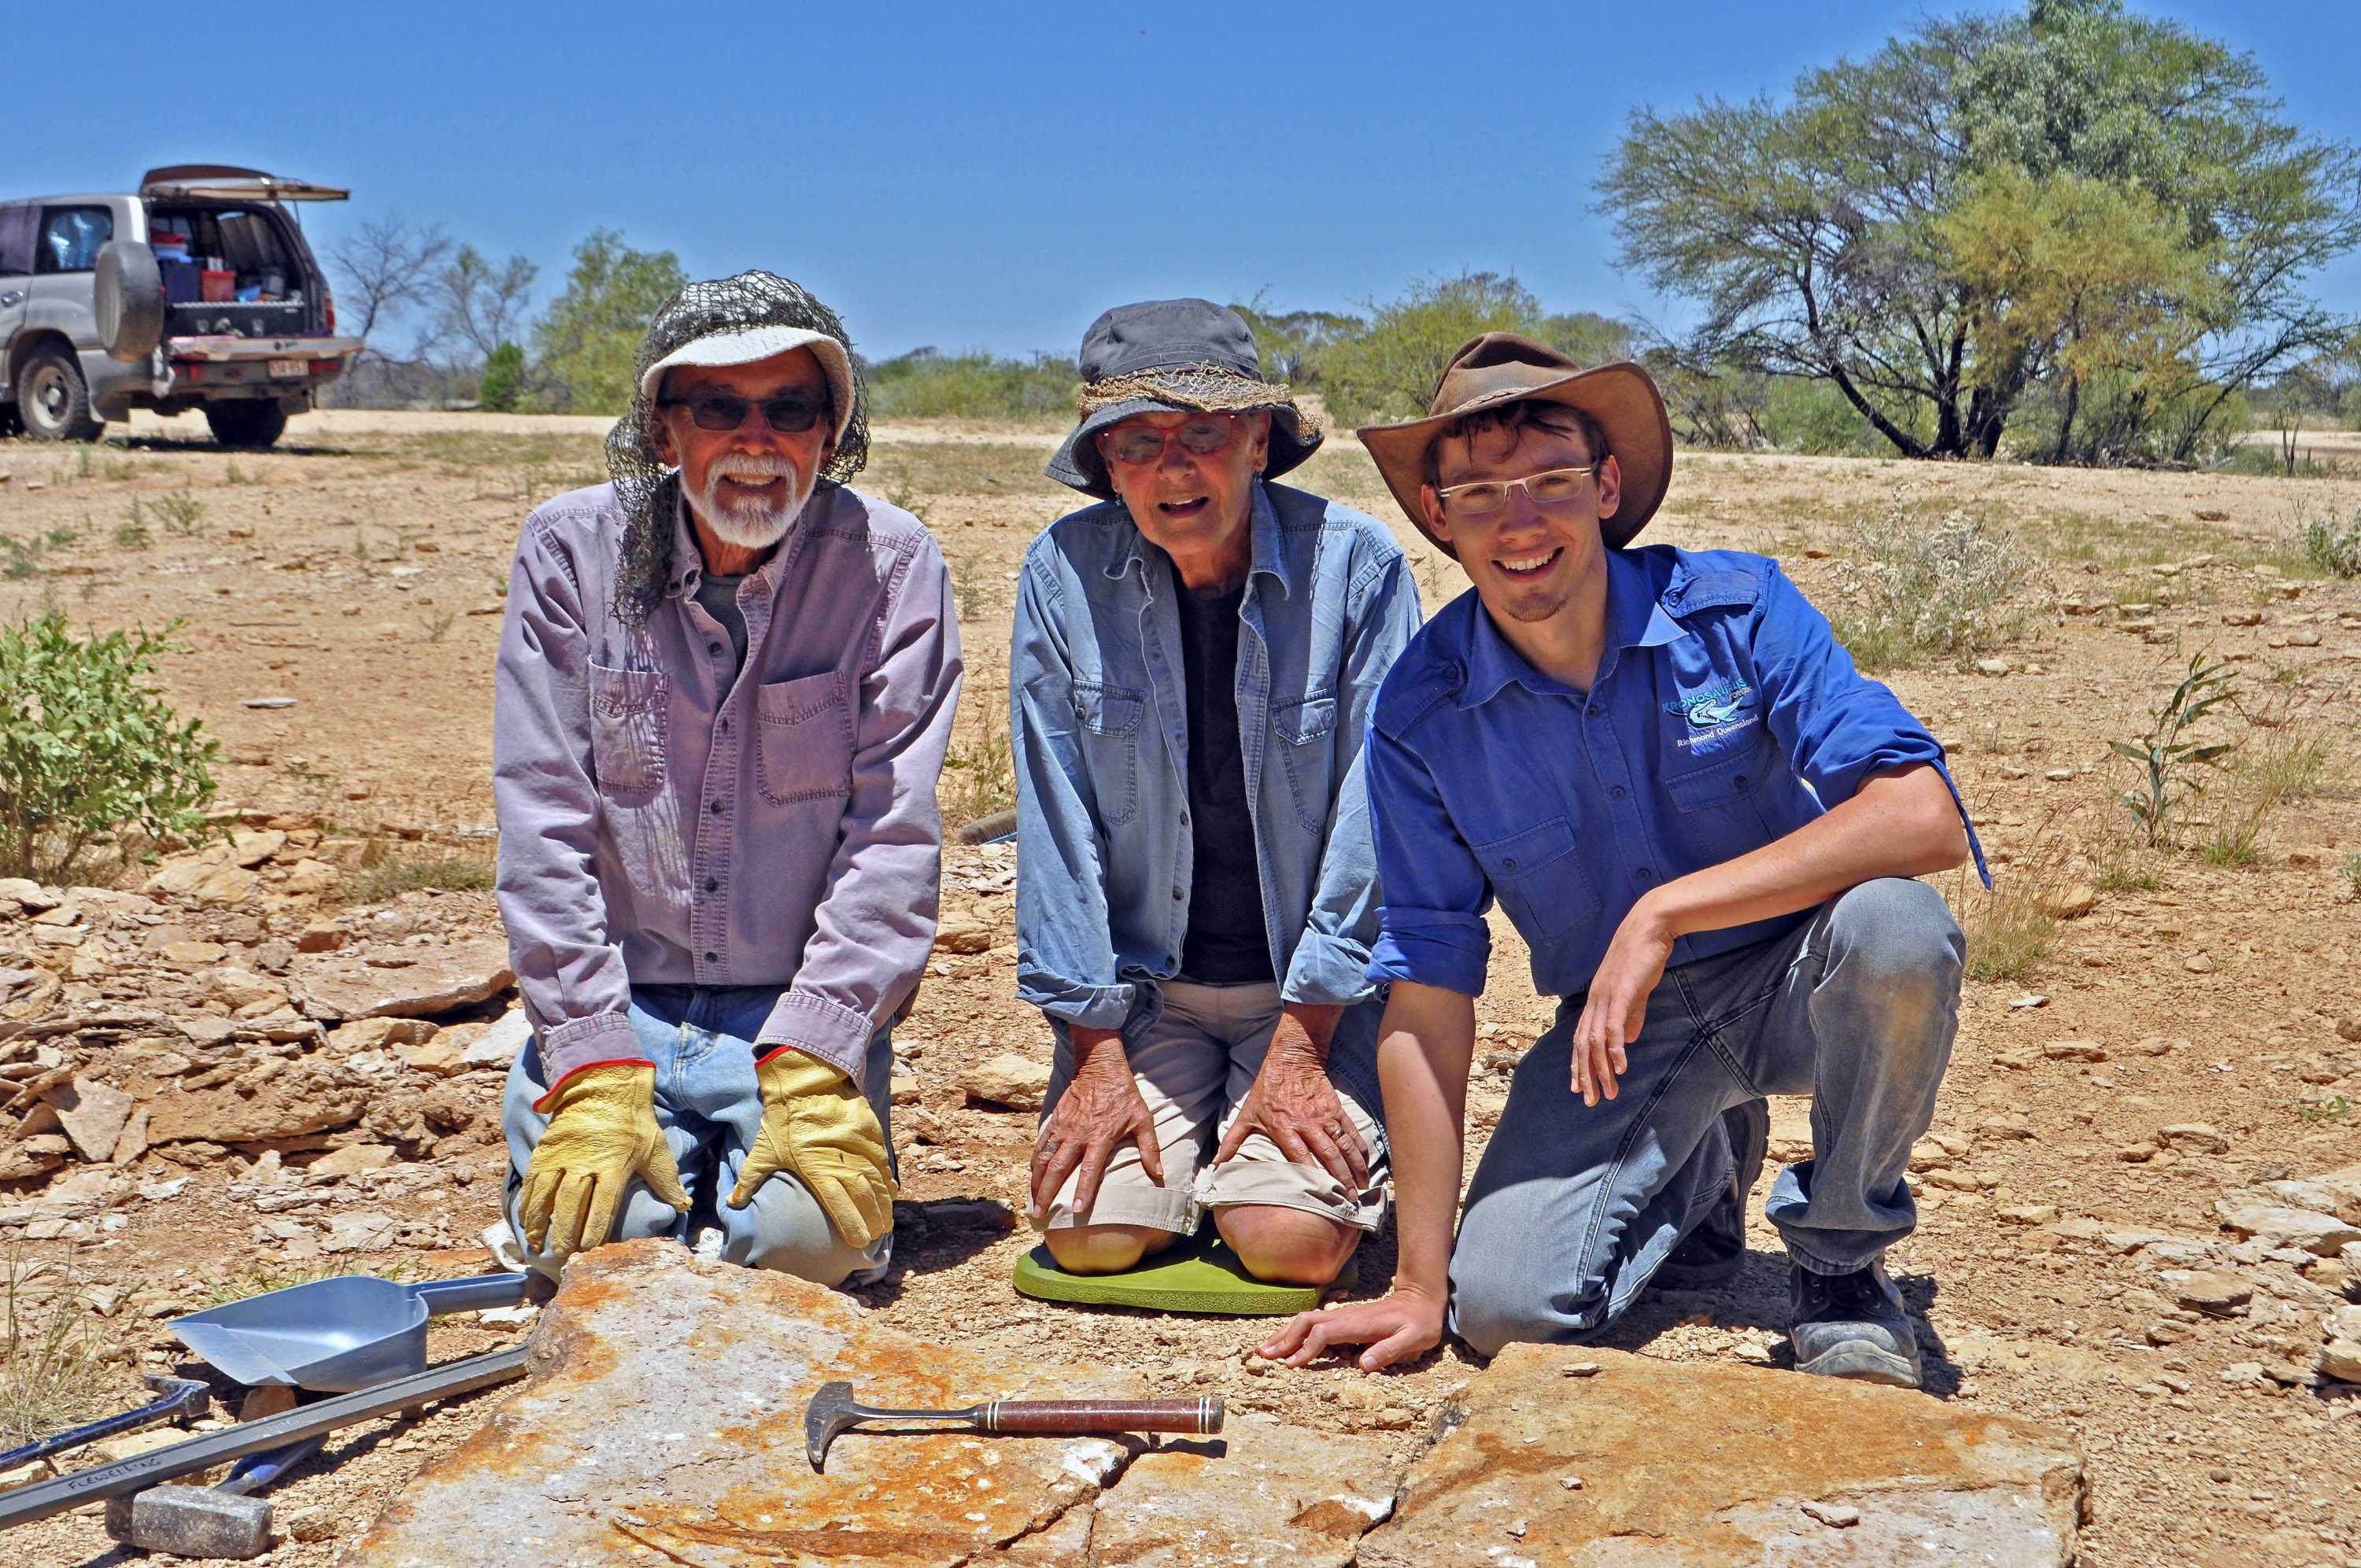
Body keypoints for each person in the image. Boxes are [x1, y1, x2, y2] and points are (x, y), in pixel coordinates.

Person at [1259, 333, 1982, 1386]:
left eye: (1551, 481)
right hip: (1623, 1030)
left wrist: (1665, 913)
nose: (1520, 521)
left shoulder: (1737, 611)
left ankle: (1840, 1264)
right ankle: (1694, 1173)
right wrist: (1419, 1283)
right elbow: (1426, 991)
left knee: (1900, 929)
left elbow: (1923, 817)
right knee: (1505, 1312)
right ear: (1439, 516)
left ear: (1605, 486)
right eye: (1480, 493)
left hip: (1801, 978)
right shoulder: (1422, 715)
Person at [493, 271, 962, 1286]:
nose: (756, 440)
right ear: (666, 433)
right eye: (719, 409)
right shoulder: (571, 552)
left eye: (790, 409)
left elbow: (892, 835)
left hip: (793, 1015)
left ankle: (769, 1139)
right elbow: (543, 821)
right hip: (623, 1001)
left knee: (808, 1252)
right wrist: (592, 1054)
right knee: (590, 1249)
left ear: (829, 434)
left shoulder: (892, 566)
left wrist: (817, 1046)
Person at [1012, 298, 1422, 1286]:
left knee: (1286, 1244)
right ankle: (1201, 1151)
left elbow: (1383, 819)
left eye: (1203, 433)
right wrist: (1096, 1052)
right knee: (1091, 1235)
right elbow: (1055, 825)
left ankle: (1296, 1152)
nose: (1174, 467)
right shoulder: (1063, 571)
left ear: (1255, 442)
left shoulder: (1358, 569)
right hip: (1150, 1000)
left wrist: (1300, 1048)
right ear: (1107, 461)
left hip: (1316, 997)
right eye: (1139, 442)